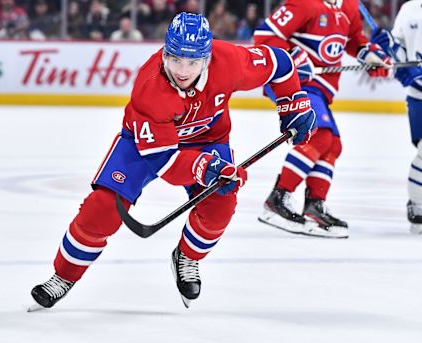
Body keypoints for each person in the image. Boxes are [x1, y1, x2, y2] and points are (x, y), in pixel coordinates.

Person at [29, 12, 316, 310]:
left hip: (208, 140)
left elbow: (280, 63)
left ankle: (187, 258)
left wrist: (292, 104)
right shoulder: (149, 88)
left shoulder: (229, 61)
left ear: (206, 58)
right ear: (165, 53)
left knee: (222, 202)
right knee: (102, 208)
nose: (182, 70)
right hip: (145, 146)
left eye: (192, 62)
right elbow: (164, 162)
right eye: (176, 59)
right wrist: (206, 168)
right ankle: (64, 276)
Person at [253, 0, 393, 238]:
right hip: (295, 82)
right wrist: (293, 59)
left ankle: (315, 206)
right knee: (321, 136)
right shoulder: (304, 3)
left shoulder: (348, 6)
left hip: (320, 87)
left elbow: (354, 38)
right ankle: (278, 199)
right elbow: (265, 36)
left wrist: (368, 54)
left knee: (332, 144)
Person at [371, 0, 422, 234]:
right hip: (419, 97)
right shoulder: (410, 9)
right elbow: (398, 50)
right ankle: (418, 205)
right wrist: (386, 48)